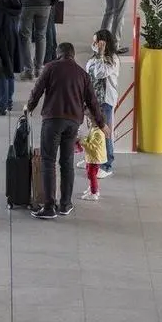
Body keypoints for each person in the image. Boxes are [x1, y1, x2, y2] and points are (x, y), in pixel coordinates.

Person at [25, 42, 108, 219]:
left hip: (52, 120)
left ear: (58, 54)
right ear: (73, 54)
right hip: (72, 123)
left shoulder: (50, 68)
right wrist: (102, 124)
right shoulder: (82, 74)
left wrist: (29, 107)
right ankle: (65, 204)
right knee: (66, 163)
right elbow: (93, 102)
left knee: (48, 162)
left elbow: (37, 90)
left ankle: (49, 207)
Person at [81, 29, 120, 178]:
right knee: (93, 130)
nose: (94, 44)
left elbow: (99, 73)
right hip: (93, 99)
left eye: (96, 42)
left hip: (105, 101)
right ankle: (94, 158)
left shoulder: (112, 60)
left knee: (105, 131)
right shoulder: (96, 57)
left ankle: (107, 165)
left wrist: (100, 54)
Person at [78, 111, 107, 202]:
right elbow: (89, 139)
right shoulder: (94, 129)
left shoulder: (98, 133)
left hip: (95, 158)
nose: (90, 121)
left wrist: (82, 142)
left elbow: (92, 147)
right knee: (90, 174)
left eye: (91, 120)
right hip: (91, 157)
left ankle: (94, 193)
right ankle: (93, 188)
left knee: (92, 174)